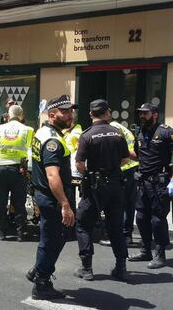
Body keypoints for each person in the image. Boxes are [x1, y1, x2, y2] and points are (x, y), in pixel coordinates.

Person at [73, 99, 129, 282]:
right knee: (116, 227)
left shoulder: (87, 135)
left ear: (91, 114)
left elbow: (79, 164)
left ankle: (86, 268)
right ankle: (121, 267)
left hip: (95, 186)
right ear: (108, 112)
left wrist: (90, 172)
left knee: (83, 224)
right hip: (115, 185)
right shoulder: (118, 133)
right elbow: (125, 159)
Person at [26, 95, 76, 300]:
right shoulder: (52, 140)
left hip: (45, 194)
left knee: (53, 236)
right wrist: (65, 204)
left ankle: (38, 269)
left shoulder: (44, 132)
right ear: (52, 114)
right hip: (52, 197)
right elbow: (52, 175)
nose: (70, 114)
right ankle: (42, 282)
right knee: (53, 239)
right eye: (65, 111)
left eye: (71, 111)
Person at [128, 103, 173, 269]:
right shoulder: (140, 131)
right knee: (140, 217)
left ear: (154, 114)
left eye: (145, 113)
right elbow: (137, 155)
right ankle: (145, 250)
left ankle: (160, 255)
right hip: (143, 182)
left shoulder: (166, 131)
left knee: (157, 219)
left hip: (159, 183)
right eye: (140, 113)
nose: (142, 116)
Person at [0, 105, 34, 241]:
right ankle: (21, 232)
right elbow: (29, 150)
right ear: (21, 116)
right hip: (18, 169)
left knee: (0, 201)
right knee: (19, 202)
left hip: (0, 168)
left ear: (8, 115)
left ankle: (1, 232)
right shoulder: (29, 130)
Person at [100, 121, 138, 246]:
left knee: (119, 204)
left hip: (124, 168)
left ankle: (119, 236)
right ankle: (126, 235)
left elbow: (123, 152)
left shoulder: (113, 129)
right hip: (131, 168)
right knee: (128, 204)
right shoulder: (123, 129)